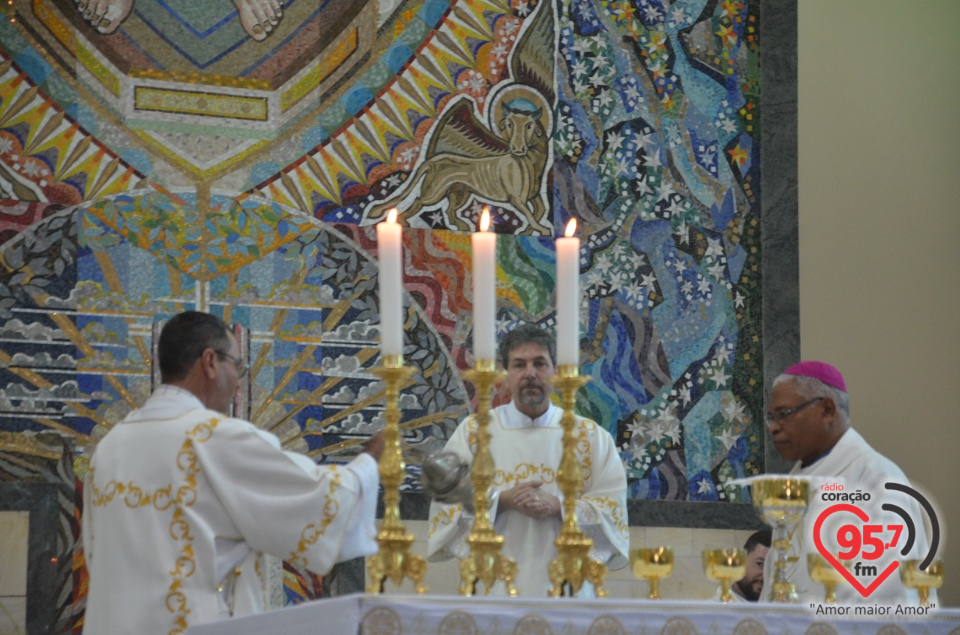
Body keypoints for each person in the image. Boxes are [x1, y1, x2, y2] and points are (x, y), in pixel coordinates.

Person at [81, 311, 384, 634]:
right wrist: (370, 461)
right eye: (237, 366)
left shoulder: (109, 449)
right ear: (210, 362)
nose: (239, 381)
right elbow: (322, 502)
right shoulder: (215, 438)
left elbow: (93, 553)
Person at [426, 323, 629, 596]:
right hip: (493, 584)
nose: (530, 374)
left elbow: (612, 509)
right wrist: (502, 500)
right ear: (506, 375)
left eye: (540, 364)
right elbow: (446, 501)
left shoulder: (591, 437)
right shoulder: (475, 433)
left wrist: (559, 506)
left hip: (568, 587)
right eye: (519, 365)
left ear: (556, 372)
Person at [761, 361, 933, 605]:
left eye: (784, 414)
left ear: (827, 410)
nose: (774, 427)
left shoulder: (875, 478)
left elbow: (887, 591)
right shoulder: (793, 484)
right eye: (772, 417)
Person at [713, 529, 770, 602]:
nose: (765, 574)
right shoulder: (711, 610)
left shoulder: (781, 610)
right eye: (760, 564)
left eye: (772, 568)